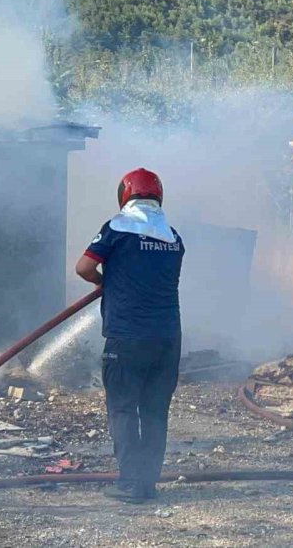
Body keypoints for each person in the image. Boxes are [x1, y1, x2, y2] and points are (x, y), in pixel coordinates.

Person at [74, 168, 184, 504]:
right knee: (154, 411)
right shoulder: (172, 236)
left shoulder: (117, 228)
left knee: (123, 410)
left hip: (127, 338)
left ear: (125, 194)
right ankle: (148, 484)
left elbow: (83, 267)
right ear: (158, 195)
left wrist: (101, 281)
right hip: (167, 338)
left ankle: (130, 483)